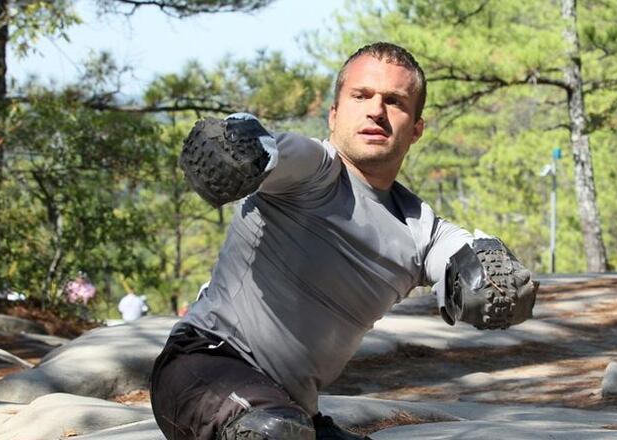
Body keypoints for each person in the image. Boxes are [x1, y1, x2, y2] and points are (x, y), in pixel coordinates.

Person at [150, 42, 537, 440]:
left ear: (417, 129)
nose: (376, 110)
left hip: (295, 412)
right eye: (361, 96)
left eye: (394, 101)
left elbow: (473, 267)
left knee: (284, 429)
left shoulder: (422, 231)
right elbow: (270, 150)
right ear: (334, 114)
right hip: (204, 365)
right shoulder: (313, 170)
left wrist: (493, 285)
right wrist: (239, 146)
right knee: (274, 432)